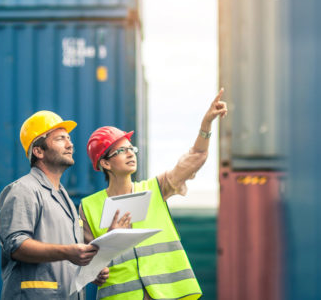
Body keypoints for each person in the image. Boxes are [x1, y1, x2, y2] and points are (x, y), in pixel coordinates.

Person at [79, 89, 228, 300]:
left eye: (132, 148)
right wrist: (110, 240)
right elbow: (89, 268)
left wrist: (206, 124)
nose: (130, 153)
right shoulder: (88, 208)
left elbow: (196, 157)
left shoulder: (155, 189)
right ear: (104, 163)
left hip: (168, 295)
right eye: (121, 151)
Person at [0, 110, 110, 299]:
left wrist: (89, 269)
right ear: (38, 151)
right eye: (60, 139)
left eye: (69, 138)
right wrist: (68, 252)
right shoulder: (23, 190)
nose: (70, 144)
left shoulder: (63, 197)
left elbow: (66, 257)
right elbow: (15, 246)